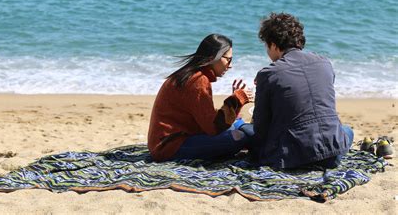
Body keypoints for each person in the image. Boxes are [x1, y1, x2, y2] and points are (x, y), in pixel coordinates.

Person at [240, 12, 353, 169]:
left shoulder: (269, 73)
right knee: (347, 131)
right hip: (333, 153)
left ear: (273, 44)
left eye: (266, 46)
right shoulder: (325, 63)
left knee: (245, 130)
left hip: (293, 156)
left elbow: (261, 128)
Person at [147, 34, 254, 162]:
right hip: (169, 147)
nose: (230, 65)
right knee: (238, 137)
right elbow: (213, 128)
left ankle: (249, 134)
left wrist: (235, 103)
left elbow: (207, 120)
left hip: (175, 139)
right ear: (214, 57)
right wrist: (236, 100)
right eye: (228, 60)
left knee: (235, 126)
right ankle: (254, 137)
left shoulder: (193, 74)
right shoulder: (198, 80)